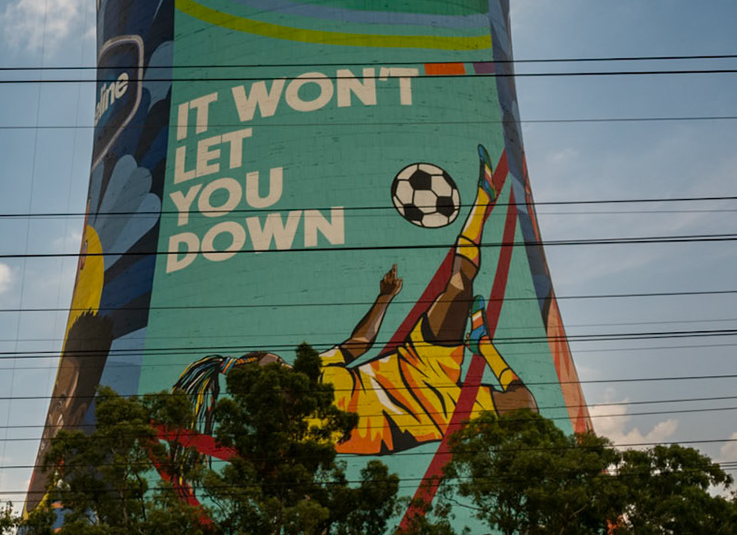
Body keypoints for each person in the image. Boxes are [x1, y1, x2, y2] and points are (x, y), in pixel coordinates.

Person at [175, 147, 536, 456]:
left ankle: (482, 203)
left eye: (281, 362)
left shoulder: (310, 369)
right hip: (425, 414)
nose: (287, 366)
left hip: (410, 365)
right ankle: (484, 345)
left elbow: (357, 345)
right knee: (525, 407)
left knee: (458, 286)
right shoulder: (296, 433)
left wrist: (383, 299)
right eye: (279, 367)